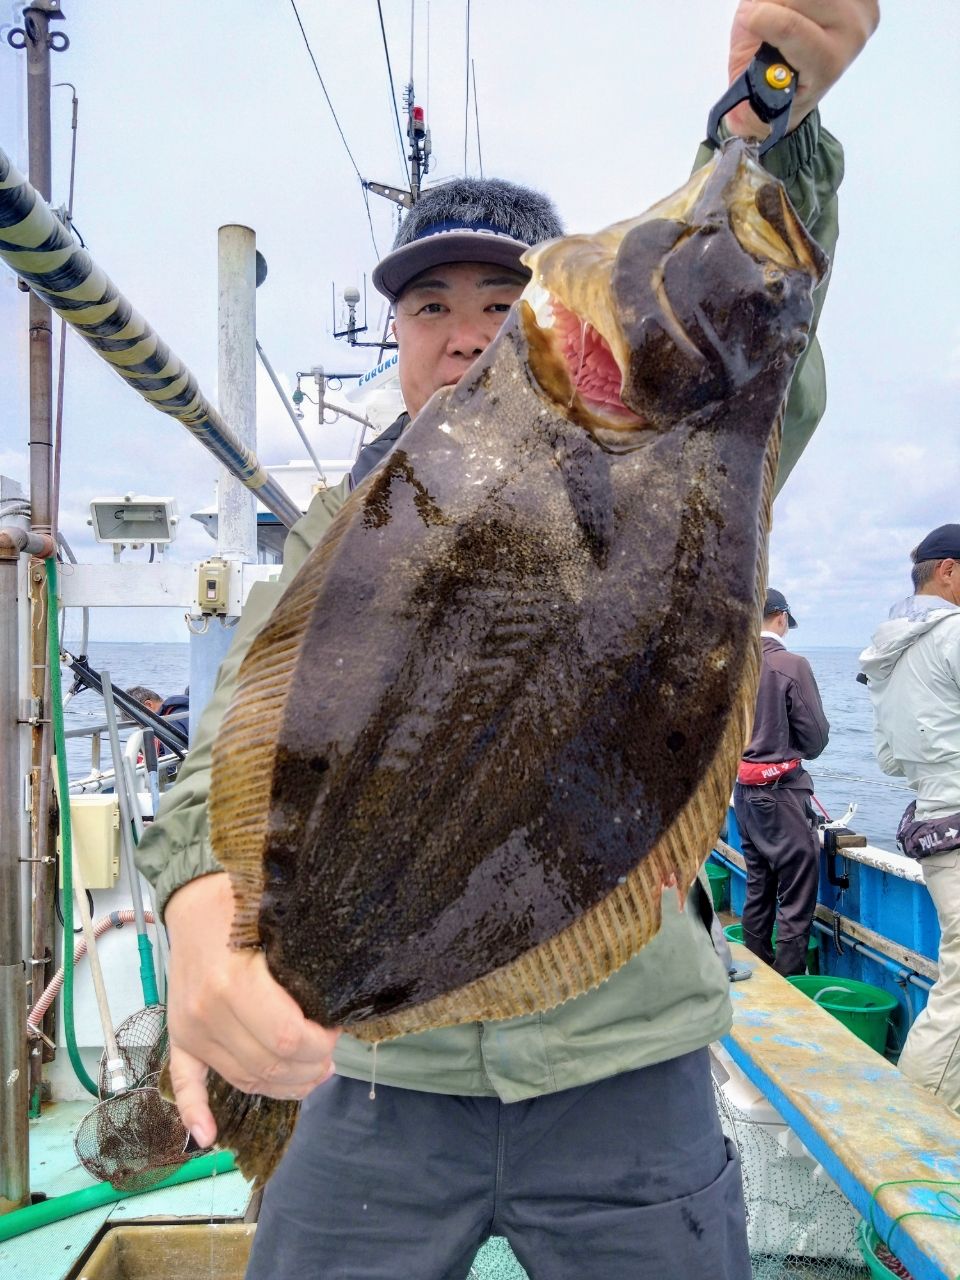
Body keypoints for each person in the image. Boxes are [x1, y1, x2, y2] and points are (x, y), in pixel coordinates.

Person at [135, 5, 878, 1275]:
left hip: (624, 1063)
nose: (467, 328)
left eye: (503, 295)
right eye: (432, 305)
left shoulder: (683, 447)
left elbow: (759, 332)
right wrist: (200, 893)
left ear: (558, 311)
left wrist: (781, 116)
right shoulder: (341, 529)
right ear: (400, 336)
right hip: (377, 1080)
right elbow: (230, 751)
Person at [859, 523, 960, 1111]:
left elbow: (890, 759)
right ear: (948, 570)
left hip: (934, 817)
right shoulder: (952, 635)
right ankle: (914, 1125)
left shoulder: (890, 648)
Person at [733, 589, 830, 976]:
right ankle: (788, 976)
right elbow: (816, 738)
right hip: (781, 794)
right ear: (782, 618)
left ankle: (755, 967)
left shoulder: (733, 665)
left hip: (743, 794)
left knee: (759, 882)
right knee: (798, 883)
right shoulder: (791, 664)